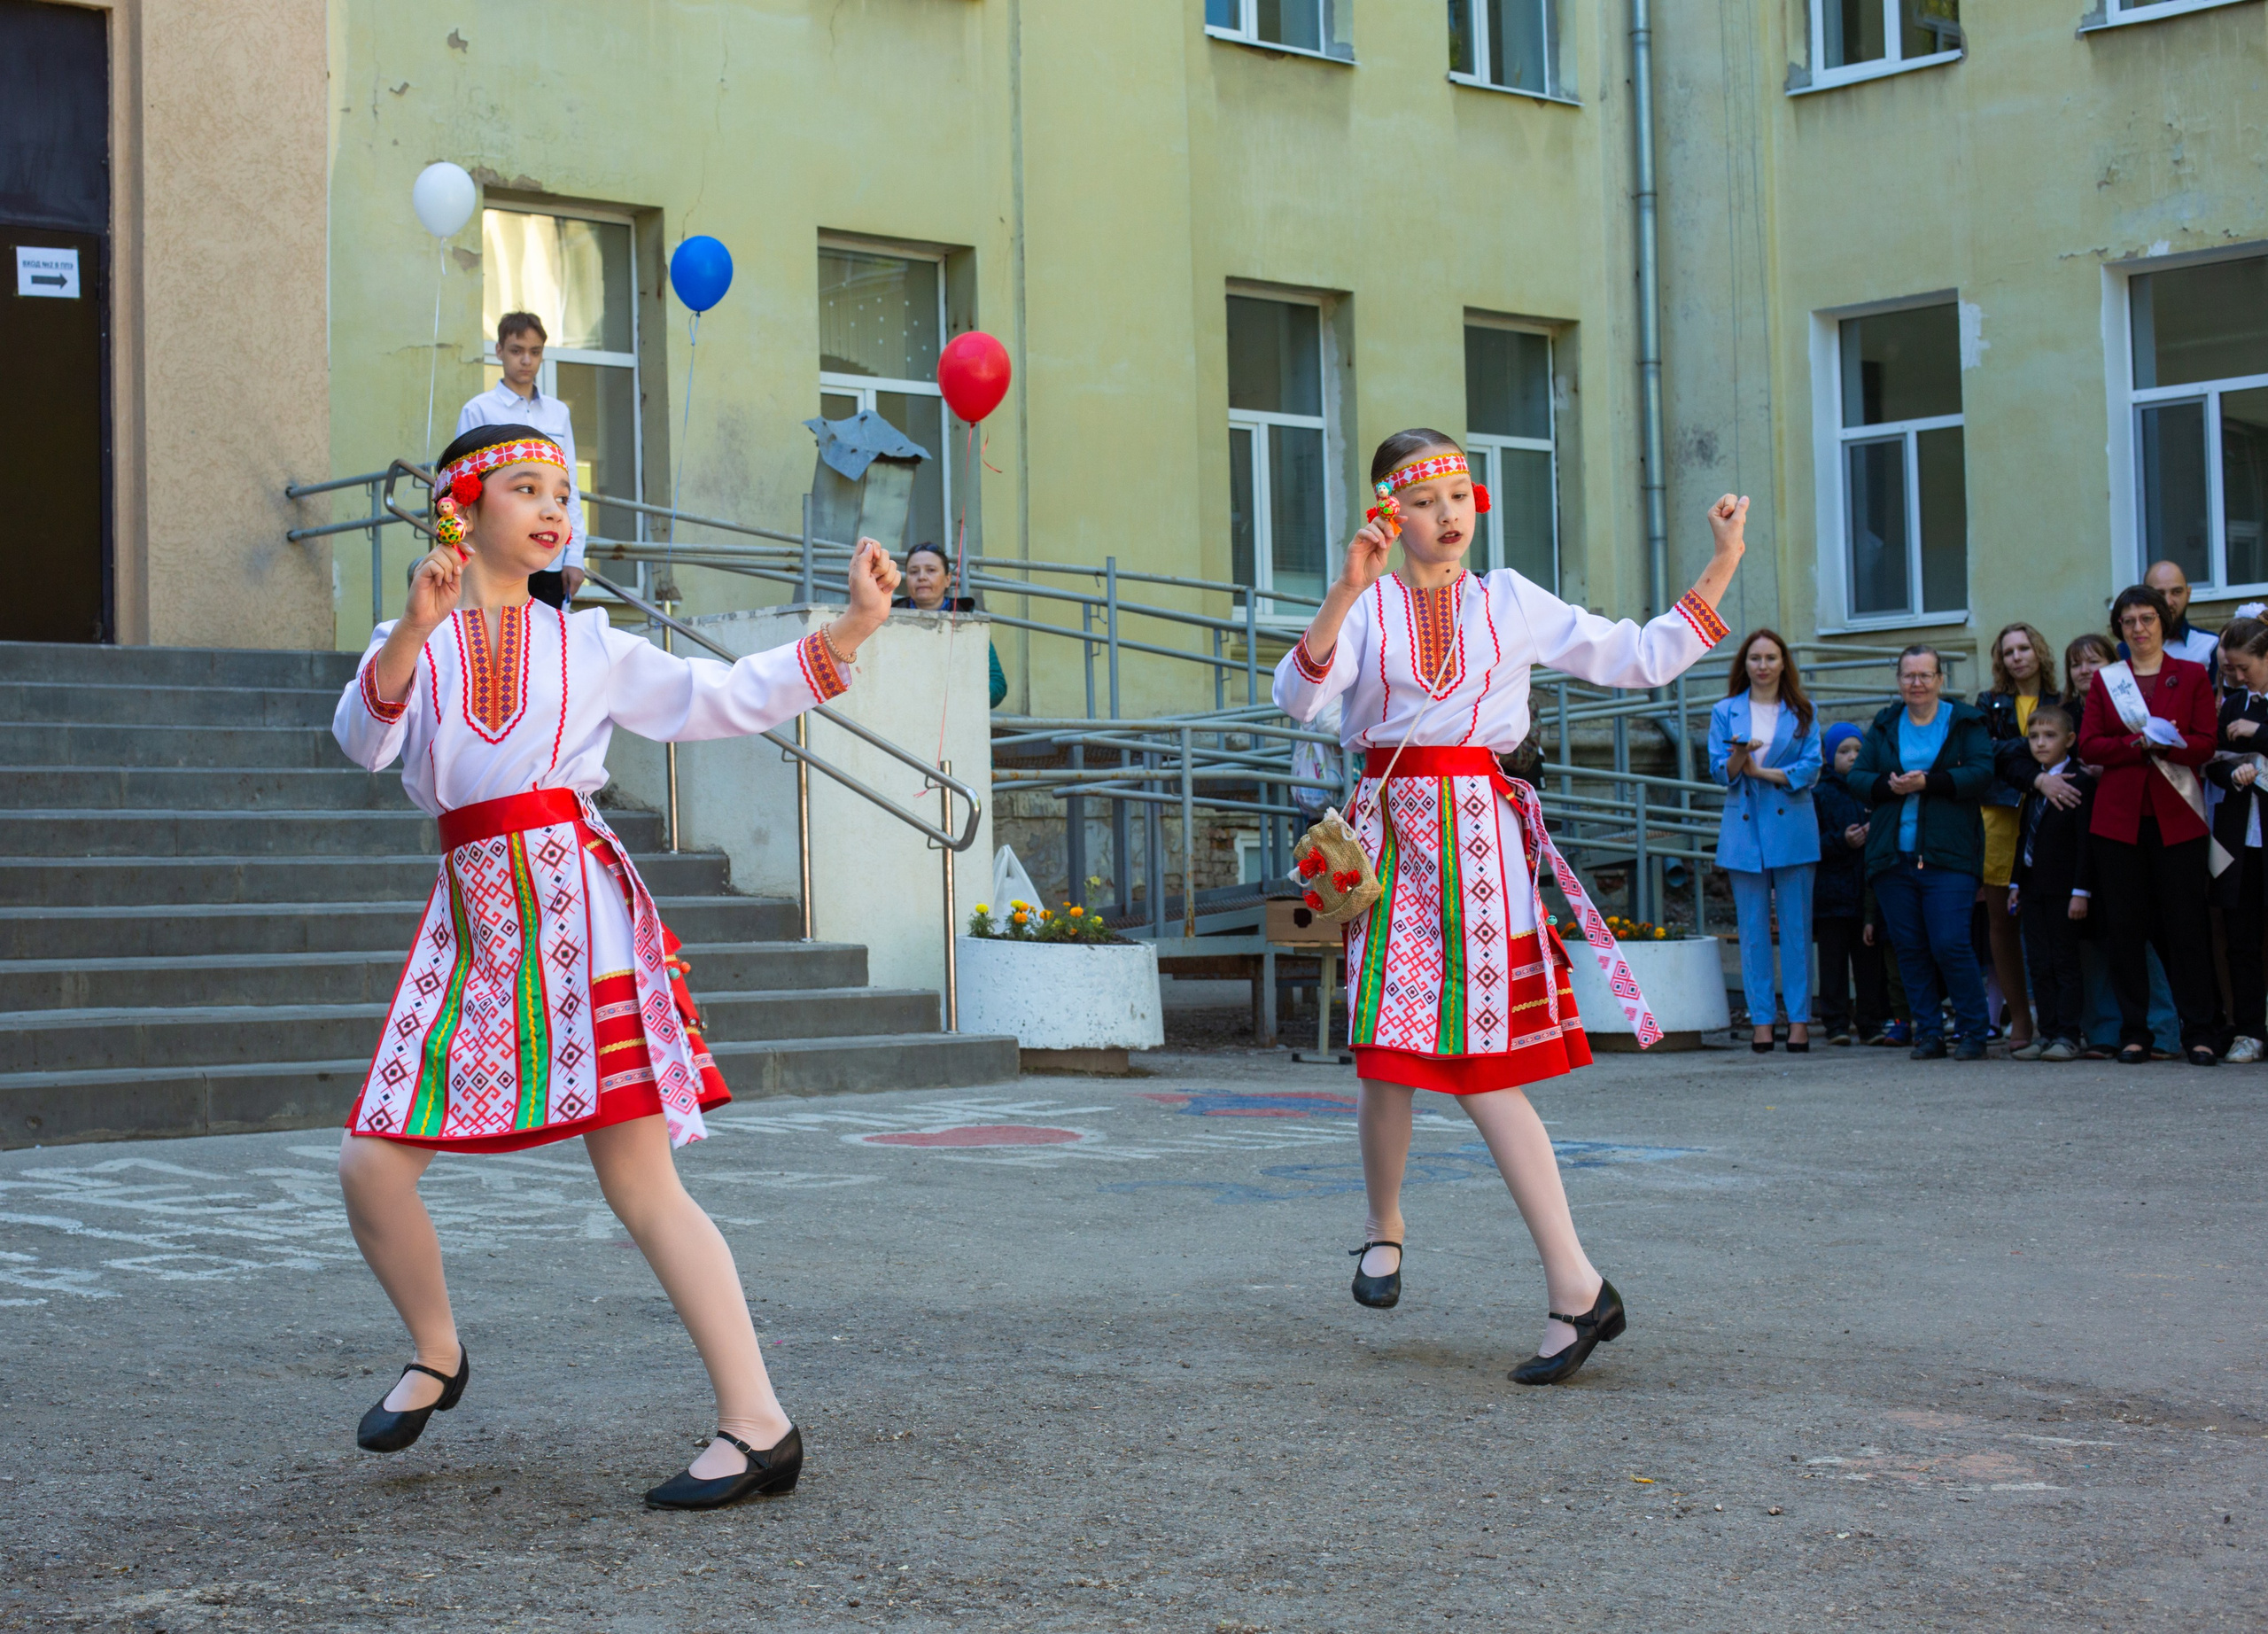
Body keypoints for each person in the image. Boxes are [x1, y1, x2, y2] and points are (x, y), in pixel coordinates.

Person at [331, 422, 903, 1508]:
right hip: (470, 924)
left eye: (560, 490)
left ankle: (758, 1422)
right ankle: (438, 1348)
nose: (551, 507)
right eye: (522, 486)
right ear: (463, 508)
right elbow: (363, 739)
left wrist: (851, 628)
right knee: (369, 1161)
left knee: (641, 1181)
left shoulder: (589, 641)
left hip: (575, 908)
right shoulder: (415, 635)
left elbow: (717, 697)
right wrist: (411, 627)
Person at [1272, 427, 1744, 1386]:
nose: (1444, 517)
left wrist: (1721, 563)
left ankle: (1572, 1286)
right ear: (1387, 515)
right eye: (1421, 502)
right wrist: (1345, 589)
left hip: (1482, 847)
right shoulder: (1370, 605)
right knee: (1384, 1053)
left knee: (1481, 1067)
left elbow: (1638, 656)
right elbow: (1298, 699)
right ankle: (1389, 1229)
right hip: (1391, 843)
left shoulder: (1512, 600)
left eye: (1456, 497)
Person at [2078, 582, 2225, 1066]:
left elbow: (2205, 743)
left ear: (2163, 621)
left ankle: (2200, 1031)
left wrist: (2164, 746)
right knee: (2125, 929)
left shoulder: (2191, 675)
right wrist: (2134, 748)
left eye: (2147, 619)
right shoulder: (2107, 681)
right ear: (2118, 629)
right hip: (2118, 823)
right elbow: (2090, 746)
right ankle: (2135, 1032)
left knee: (2187, 927)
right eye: (2129, 621)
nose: (2139, 628)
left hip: (2177, 818)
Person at [1846, 646, 1996, 1060]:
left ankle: (1973, 1032)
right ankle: (1928, 1032)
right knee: (1909, 948)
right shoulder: (1885, 723)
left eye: (1925, 675)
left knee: (1950, 943)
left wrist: (1931, 783)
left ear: (1940, 680)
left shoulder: (1965, 721)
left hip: (1949, 854)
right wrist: (1887, 787)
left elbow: (1983, 772)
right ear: (1898, 680)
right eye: (1909, 676)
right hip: (1893, 854)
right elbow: (1858, 776)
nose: (1917, 683)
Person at [1709, 629, 1822, 1051]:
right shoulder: (1726, 710)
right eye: (1755, 658)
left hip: (1792, 826)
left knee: (1796, 927)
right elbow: (1719, 770)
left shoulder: (1804, 710)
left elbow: (1811, 769)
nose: (1762, 665)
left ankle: (1798, 1020)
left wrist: (1762, 772)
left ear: (1783, 663)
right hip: (1744, 827)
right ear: (1745, 664)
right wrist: (1742, 756)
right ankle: (1761, 1020)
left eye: (1771, 657)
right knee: (1753, 929)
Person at [456, 313, 586, 607]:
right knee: (493, 643)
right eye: (517, 351)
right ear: (499, 350)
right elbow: (463, 488)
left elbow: (571, 488)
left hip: (549, 554)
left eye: (535, 352)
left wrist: (575, 554)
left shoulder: (557, 413)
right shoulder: (478, 411)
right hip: (495, 555)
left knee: (545, 646)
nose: (526, 360)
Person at [1975, 624, 2056, 1049]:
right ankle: (2020, 1017)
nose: (2017, 657)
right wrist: (2030, 750)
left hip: (2047, 815)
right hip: (2000, 817)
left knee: (2049, 920)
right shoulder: (1989, 703)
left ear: (2039, 652)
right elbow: (1984, 753)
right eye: (2008, 652)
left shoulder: (2062, 701)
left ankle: (2059, 1018)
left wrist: (2016, 750)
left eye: (2024, 648)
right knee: (2001, 923)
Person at [2007, 704, 2094, 1062]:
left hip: (2064, 890)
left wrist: (2081, 891)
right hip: (2033, 887)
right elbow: (2022, 835)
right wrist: (2015, 883)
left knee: (2065, 962)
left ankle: (2069, 1034)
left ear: (2070, 740)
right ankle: (2048, 1033)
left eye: (2050, 736)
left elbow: (2085, 842)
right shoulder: (2035, 783)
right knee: (2039, 963)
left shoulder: (2080, 781)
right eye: (2034, 737)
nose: (2040, 744)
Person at [2207, 618, 2268, 1062]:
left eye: (2245, 668)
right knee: (2242, 936)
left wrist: (2259, 736)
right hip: (2240, 838)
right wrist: (2235, 771)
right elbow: (2213, 760)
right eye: (2230, 669)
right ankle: (2249, 1029)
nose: (2237, 677)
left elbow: (2250, 740)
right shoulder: (2232, 704)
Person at [1814, 724, 1882, 1047]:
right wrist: (1842, 841)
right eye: (1844, 751)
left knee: (1868, 963)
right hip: (1831, 896)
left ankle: (1870, 1022)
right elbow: (1813, 844)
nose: (1852, 757)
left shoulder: (1871, 790)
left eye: (1857, 750)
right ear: (1829, 757)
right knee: (1833, 964)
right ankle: (1835, 1023)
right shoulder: (1820, 795)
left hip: (1866, 894)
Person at [893, 541, 1007, 707]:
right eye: (913, 572)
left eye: (931, 570)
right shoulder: (888, 620)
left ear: (948, 579)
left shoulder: (969, 622)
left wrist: (956, 697)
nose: (922, 577)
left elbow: (997, 685)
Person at [2117, 560, 2219, 684]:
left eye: (2176, 592)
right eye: (2159, 593)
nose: (2168, 602)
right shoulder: (2126, 648)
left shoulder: (2210, 644)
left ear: (2188, 594)